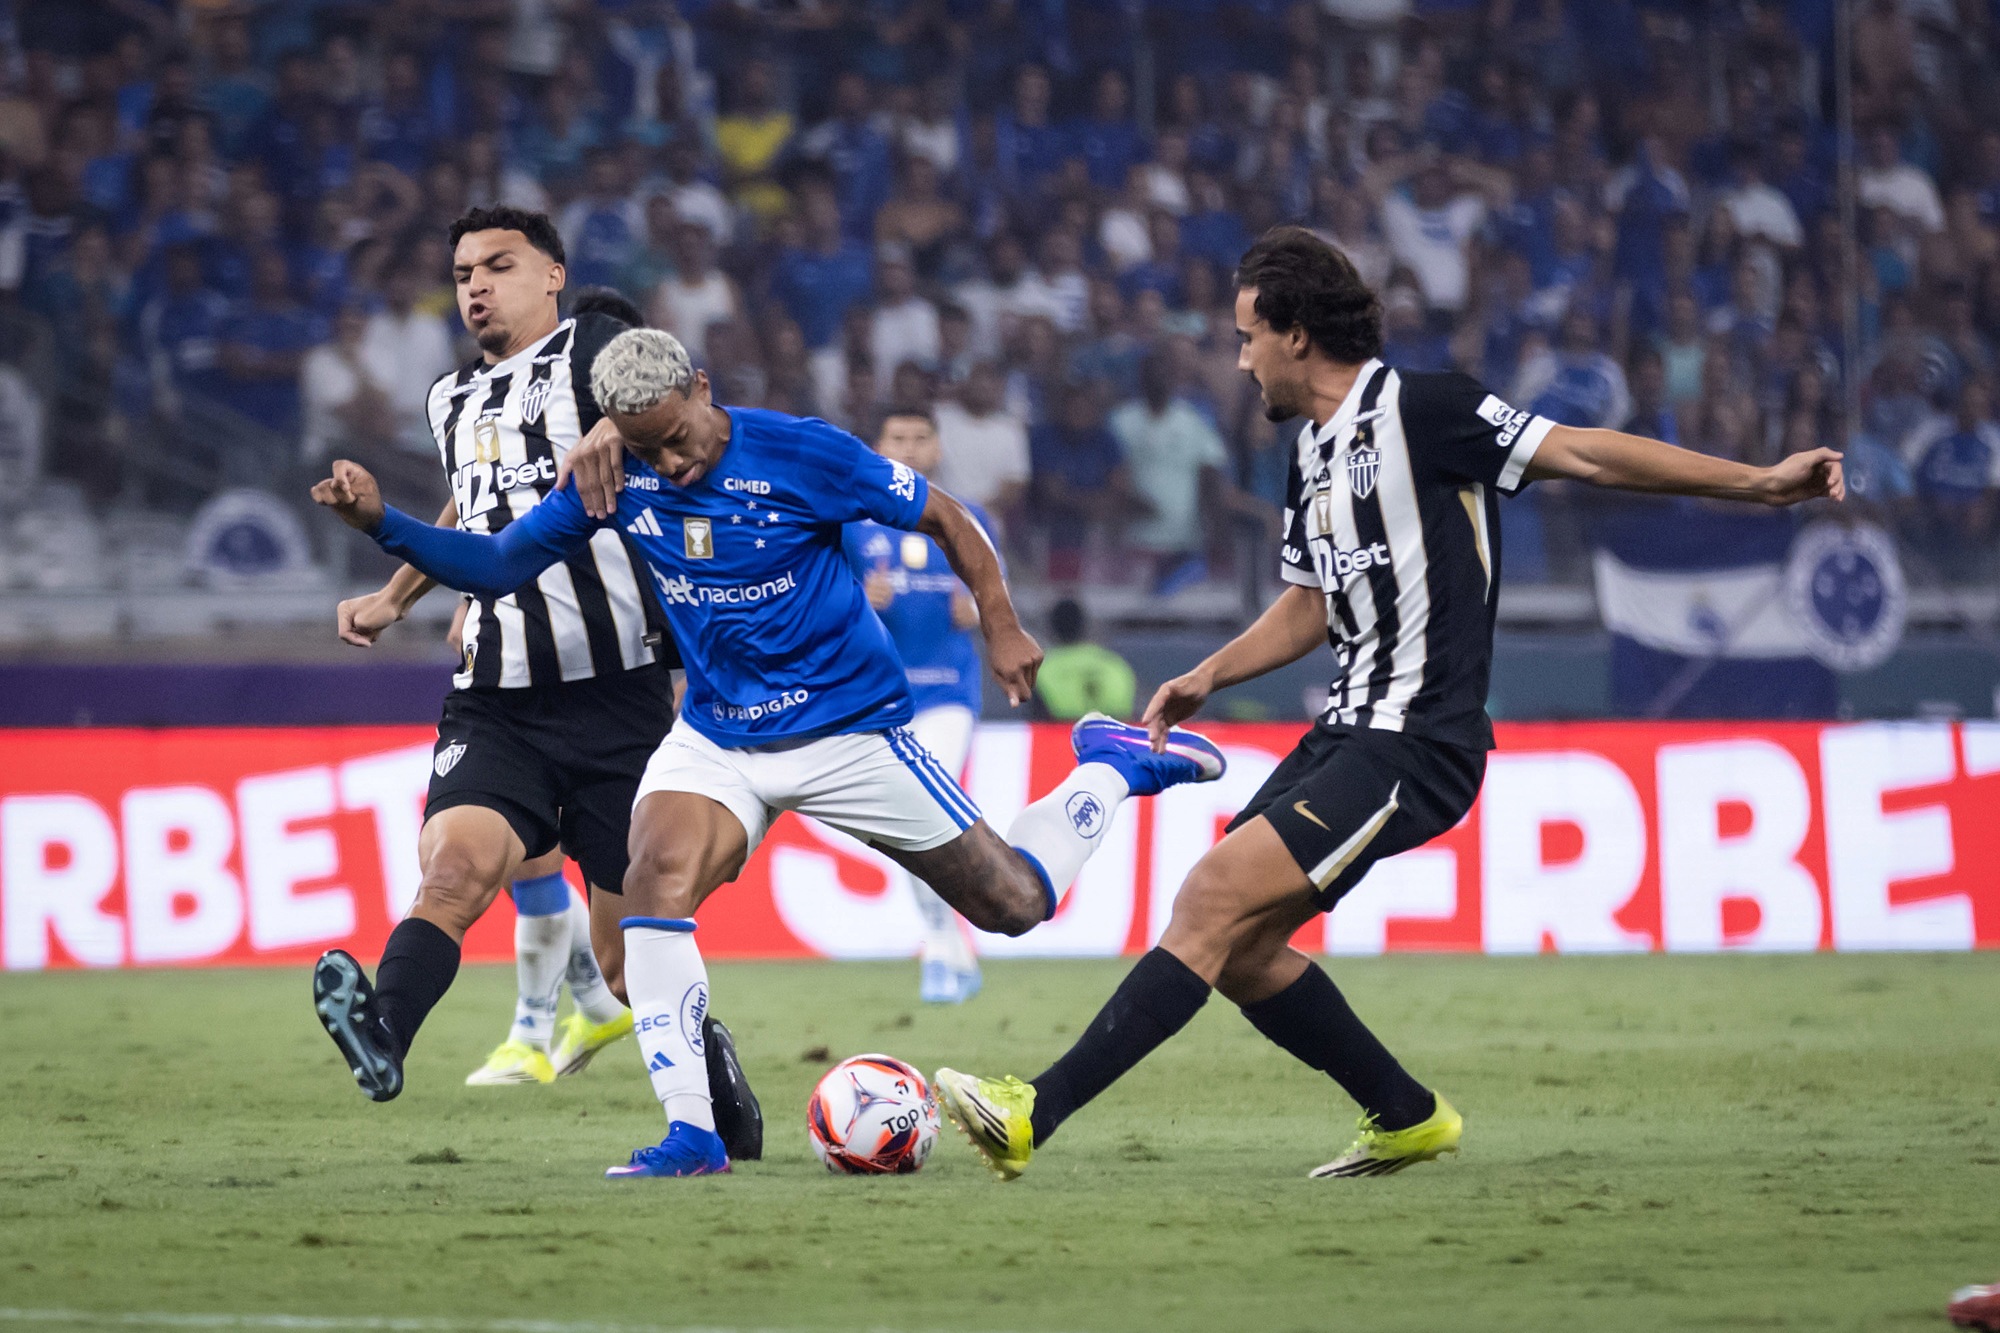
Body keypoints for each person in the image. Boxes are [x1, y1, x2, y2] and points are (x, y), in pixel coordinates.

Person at [932, 226, 1844, 1183]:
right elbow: (1311, 607)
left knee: (1209, 897)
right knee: (1241, 950)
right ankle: (1407, 1114)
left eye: (1247, 337)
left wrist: (1758, 483)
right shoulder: (1312, 455)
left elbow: (1584, 454)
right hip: (1345, 732)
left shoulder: (1429, 409)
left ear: (1295, 333)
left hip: (1418, 739)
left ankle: (1032, 1111)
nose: (1239, 361)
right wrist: (1210, 674)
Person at [311, 325, 1231, 1178]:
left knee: (1016, 903)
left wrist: (1000, 622)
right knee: (652, 881)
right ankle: (691, 1134)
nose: (670, 463)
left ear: (702, 388)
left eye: (678, 438)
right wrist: (383, 521)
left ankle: (1109, 766)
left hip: (850, 729)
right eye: (648, 448)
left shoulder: (802, 452)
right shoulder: (613, 472)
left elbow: (948, 517)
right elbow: (497, 564)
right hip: (718, 735)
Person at [308, 208, 763, 1163]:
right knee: (453, 873)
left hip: (619, 696)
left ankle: (713, 1077)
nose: (475, 285)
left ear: (553, 275)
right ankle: (383, 1033)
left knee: (629, 958)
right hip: (498, 698)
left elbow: (675, 415)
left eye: (499, 265)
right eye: (463, 272)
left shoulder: (594, 349)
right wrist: (394, 596)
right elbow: (476, 508)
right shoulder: (448, 400)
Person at [843, 408, 992, 1004]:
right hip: (882, 699)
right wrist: (861, 599)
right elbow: (825, 607)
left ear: (937, 450)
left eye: (919, 439)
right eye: (897, 438)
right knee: (909, 827)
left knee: (925, 807)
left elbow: (994, 596)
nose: (908, 448)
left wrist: (976, 610)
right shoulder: (851, 525)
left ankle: (937, 951)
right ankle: (952, 946)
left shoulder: (967, 518)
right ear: (878, 447)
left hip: (948, 691)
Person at [1034, 599, 1136, 722]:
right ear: (1085, 626)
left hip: (1063, 731)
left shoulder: (1042, 669)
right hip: (1112, 731)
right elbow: (1129, 715)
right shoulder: (1115, 664)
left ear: (1051, 629)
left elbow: (1036, 719)